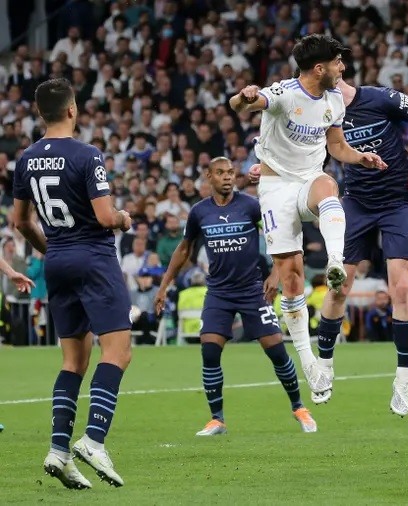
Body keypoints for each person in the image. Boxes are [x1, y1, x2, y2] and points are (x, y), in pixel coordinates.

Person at [250, 75, 408, 415]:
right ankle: (326, 364)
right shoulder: (320, 107)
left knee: (403, 288)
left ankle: (403, 379)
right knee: (338, 287)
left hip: (398, 202)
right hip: (357, 203)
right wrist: (271, 168)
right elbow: (299, 147)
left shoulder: (379, 99)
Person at [228, 34, 386, 397]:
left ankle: (334, 261)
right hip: (275, 188)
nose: (342, 68)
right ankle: (309, 362)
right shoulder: (284, 94)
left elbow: (336, 146)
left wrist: (360, 156)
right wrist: (244, 95)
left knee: (328, 186)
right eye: (338, 63)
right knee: (292, 278)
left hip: (309, 179)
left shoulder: (333, 99)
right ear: (320, 68)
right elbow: (242, 106)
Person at [13, 78, 133, 488]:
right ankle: (94, 440)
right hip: (94, 258)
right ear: (71, 110)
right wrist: (123, 217)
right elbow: (103, 216)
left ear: (39, 112)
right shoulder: (87, 154)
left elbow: (20, 222)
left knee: (72, 362)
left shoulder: (26, 158)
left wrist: (52, 251)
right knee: (117, 353)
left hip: (58, 260)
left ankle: (59, 451)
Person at [154, 157, 317, 436]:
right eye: (220, 173)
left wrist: (276, 275)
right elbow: (184, 249)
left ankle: (299, 408)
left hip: (252, 290)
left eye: (230, 172)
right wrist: (163, 286)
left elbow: (280, 235)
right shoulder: (199, 212)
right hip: (218, 292)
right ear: (209, 177)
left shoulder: (251, 205)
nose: (227, 177)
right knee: (209, 351)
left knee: (276, 350)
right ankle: (217, 419)